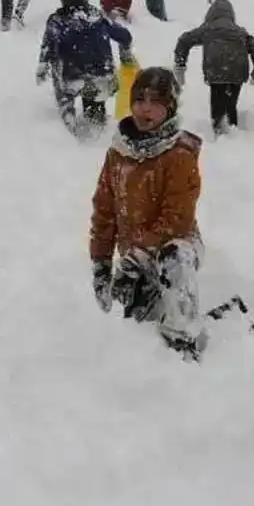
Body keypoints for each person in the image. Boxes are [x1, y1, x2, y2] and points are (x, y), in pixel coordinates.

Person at [89, 67, 207, 361]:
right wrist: (101, 263)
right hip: (132, 257)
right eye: (139, 99)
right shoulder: (118, 153)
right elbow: (104, 210)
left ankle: (185, 338)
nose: (145, 108)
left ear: (169, 108)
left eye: (156, 102)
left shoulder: (179, 155)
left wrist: (137, 258)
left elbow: (177, 218)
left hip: (176, 246)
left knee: (174, 258)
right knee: (137, 326)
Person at [36, 0, 134, 137]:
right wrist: (125, 50)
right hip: (102, 74)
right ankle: (96, 129)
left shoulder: (58, 20)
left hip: (73, 75)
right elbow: (124, 36)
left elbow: (49, 47)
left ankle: (67, 119)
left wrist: (43, 67)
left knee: (58, 68)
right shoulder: (97, 16)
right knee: (95, 102)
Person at [172, 0, 254, 135]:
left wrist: (180, 63)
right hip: (238, 71)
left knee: (217, 101)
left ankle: (220, 130)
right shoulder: (240, 31)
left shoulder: (207, 28)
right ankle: (231, 127)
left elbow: (184, 40)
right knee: (231, 101)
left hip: (215, 69)